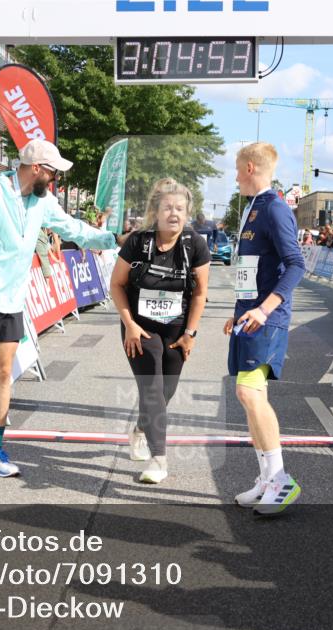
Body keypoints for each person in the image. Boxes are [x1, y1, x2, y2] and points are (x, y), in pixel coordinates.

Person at [0, 139, 119, 481]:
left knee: (4, 374)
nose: (55, 180)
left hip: (11, 300)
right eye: (52, 173)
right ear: (36, 169)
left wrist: (113, 240)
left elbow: (72, 229)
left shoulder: (42, 201)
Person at [111, 178, 210, 484]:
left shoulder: (195, 244)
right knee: (151, 390)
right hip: (140, 327)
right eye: (167, 207)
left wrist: (190, 334)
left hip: (177, 330)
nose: (174, 213)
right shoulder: (139, 241)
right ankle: (159, 460)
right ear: (156, 211)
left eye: (180, 208)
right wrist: (129, 325)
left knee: (165, 392)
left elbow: (199, 294)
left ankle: (141, 429)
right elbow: (116, 285)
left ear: (188, 212)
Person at [223, 142, 305, 516]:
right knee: (248, 396)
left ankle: (281, 479)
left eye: (239, 169)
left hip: (268, 317)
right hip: (249, 314)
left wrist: (265, 308)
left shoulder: (274, 208)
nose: (236, 175)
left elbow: (296, 264)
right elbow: (251, 268)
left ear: (251, 167)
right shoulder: (253, 208)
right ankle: (266, 477)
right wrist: (239, 309)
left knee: (249, 392)